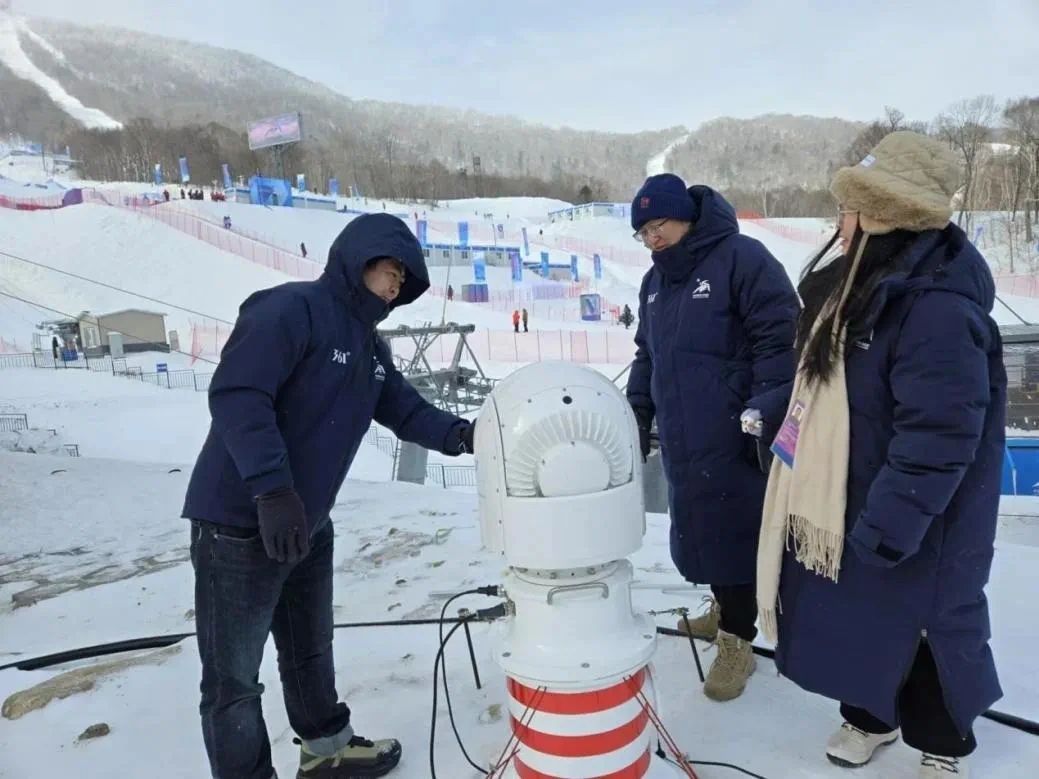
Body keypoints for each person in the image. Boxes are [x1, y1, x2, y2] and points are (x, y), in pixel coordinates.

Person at [182, 213, 476, 779]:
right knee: (233, 679)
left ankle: (327, 750)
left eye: (401, 282)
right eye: (388, 272)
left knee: (309, 650)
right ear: (356, 259)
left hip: (307, 525)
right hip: (240, 524)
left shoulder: (368, 347)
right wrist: (271, 489)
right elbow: (239, 396)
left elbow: (405, 410)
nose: (393, 288)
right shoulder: (289, 310)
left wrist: (463, 435)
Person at [754, 132, 1005, 779]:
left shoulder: (936, 306)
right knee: (853, 622)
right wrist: (772, 413)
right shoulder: (852, 288)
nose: (837, 222)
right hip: (849, 495)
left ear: (881, 213)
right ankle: (869, 719)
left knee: (925, 633)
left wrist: (891, 525)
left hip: (920, 520)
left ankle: (941, 747)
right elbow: (819, 377)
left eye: (847, 207)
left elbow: (941, 432)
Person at [626, 173, 799, 702]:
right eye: (643, 231)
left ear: (688, 217)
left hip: (734, 431)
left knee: (736, 533)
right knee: (702, 530)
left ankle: (737, 640)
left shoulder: (742, 259)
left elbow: (781, 338)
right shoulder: (655, 284)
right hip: (684, 434)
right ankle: (726, 608)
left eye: (659, 225)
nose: (652, 237)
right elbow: (646, 355)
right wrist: (637, 410)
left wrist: (765, 411)